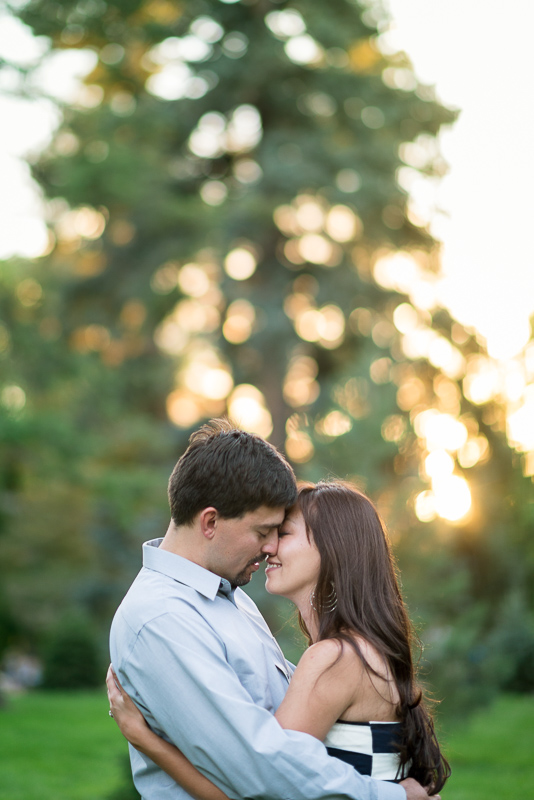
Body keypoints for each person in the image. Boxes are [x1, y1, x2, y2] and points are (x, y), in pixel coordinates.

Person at [109, 419, 442, 800]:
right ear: (210, 521)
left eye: (281, 533)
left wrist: (146, 740)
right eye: (265, 531)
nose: (270, 547)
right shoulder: (162, 617)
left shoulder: (233, 600)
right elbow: (258, 769)